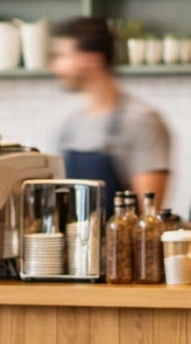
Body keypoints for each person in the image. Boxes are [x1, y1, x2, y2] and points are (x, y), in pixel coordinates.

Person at [50, 17, 172, 209]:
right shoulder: (68, 124)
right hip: (76, 239)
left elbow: (150, 215)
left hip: (121, 239)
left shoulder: (141, 121)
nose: (55, 66)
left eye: (63, 56)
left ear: (92, 59)